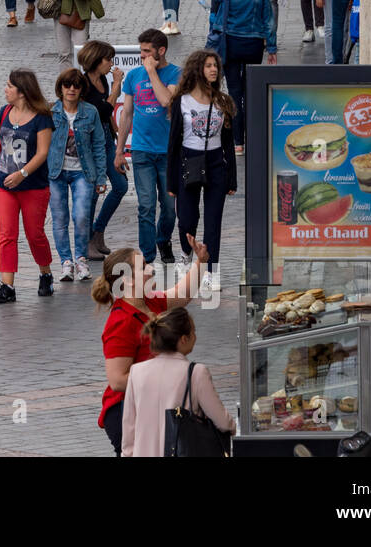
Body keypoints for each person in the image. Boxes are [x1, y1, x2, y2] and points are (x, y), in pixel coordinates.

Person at [91, 242, 206, 455]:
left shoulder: (149, 302)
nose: (151, 269)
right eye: (143, 266)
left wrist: (200, 261)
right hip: (127, 412)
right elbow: (117, 380)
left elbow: (182, 295)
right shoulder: (121, 322)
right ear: (127, 279)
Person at [0, 69, 55, 302]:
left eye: (9, 86)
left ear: (22, 92)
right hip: (4, 185)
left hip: (33, 186)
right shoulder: (4, 112)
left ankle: (45, 273)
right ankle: (7, 286)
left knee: (35, 234)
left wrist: (22, 173)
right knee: (7, 234)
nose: (5, 89)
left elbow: (43, 152)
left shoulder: (42, 117)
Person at [121, 307, 235, 456]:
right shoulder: (196, 372)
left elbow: (129, 430)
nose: (195, 336)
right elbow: (223, 422)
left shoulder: (136, 372)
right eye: (193, 332)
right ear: (183, 339)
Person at [166, 50, 237, 287]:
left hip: (216, 163)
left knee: (213, 220)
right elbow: (174, 143)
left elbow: (229, 142)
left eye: (215, 65)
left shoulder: (223, 101)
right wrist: (171, 182)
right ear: (197, 69)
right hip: (189, 161)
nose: (213, 69)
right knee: (187, 219)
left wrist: (232, 178)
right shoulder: (182, 101)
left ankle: (210, 271)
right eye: (208, 66)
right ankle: (186, 252)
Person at [115, 29, 182, 264]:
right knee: (146, 206)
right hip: (142, 150)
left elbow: (166, 100)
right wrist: (119, 150)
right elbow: (127, 115)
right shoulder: (133, 77)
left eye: (146, 52)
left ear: (160, 51)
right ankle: (148, 255)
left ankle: (163, 238)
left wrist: (152, 72)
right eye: (141, 51)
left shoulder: (175, 73)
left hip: (168, 152)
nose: (142, 56)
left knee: (169, 207)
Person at [208, 0, 278, 151]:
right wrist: (271, 48)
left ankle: (238, 142)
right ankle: (255, 135)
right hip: (253, 44)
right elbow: (269, 22)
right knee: (251, 90)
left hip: (230, 44)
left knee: (234, 91)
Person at [49, 67, 107, 282]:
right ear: (60, 88)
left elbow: (99, 145)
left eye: (76, 85)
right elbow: (41, 144)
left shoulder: (90, 112)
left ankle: (81, 259)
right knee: (59, 218)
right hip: (55, 172)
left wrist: (101, 178)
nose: (71, 89)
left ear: (82, 89)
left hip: (83, 172)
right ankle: (66, 262)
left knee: (81, 216)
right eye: (67, 85)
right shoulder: (51, 112)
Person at [77, 41, 126, 259]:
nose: (111, 64)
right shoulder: (83, 84)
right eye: (108, 59)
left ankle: (98, 230)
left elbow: (107, 115)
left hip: (107, 138)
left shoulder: (103, 79)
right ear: (96, 60)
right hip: (90, 144)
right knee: (93, 194)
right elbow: (102, 108)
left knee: (120, 185)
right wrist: (116, 88)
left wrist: (118, 140)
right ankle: (87, 241)